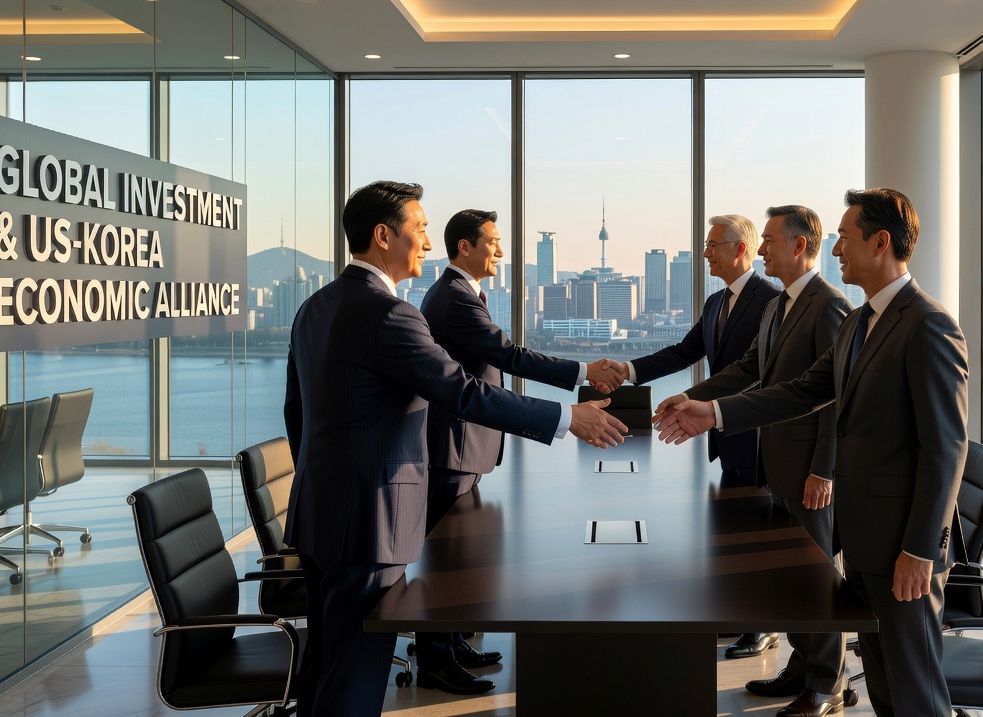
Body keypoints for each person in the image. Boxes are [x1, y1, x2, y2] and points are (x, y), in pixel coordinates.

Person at [284, 181, 627, 717]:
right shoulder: (388, 315)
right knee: (354, 676)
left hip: (318, 514)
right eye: (419, 229)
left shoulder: (315, 306)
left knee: (323, 663)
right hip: (369, 521)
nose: (426, 242)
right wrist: (566, 417)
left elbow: (297, 416)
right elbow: (463, 392)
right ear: (382, 235)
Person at [656, 188, 969, 717]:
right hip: (865, 537)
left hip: (902, 547)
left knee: (916, 691)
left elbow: (946, 447)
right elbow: (802, 390)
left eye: (846, 237)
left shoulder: (927, 324)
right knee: (886, 685)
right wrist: (714, 412)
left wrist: (920, 550)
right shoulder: (858, 322)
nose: (838, 248)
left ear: (881, 242)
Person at [415, 208, 628, 693]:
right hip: (453, 447)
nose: (501, 251)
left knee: (454, 553)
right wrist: (581, 372)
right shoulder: (454, 298)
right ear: (464, 247)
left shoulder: (458, 293)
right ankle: (434, 659)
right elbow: (508, 355)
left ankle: (449, 644)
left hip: (462, 446)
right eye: (492, 241)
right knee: (445, 559)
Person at [660, 206, 851, 715]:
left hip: (809, 469)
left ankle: (828, 683)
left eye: (768, 240)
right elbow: (749, 369)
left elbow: (834, 396)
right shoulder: (779, 306)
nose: (761, 249)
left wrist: (823, 469)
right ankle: (800, 667)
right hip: (778, 462)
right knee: (793, 576)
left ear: (799, 245)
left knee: (816, 577)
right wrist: (690, 398)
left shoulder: (828, 305)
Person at [603, 214, 778, 486]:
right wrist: (627, 370)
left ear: (739, 249)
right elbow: (684, 352)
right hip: (723, 442)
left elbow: (754, 371)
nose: (706, 253)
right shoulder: (715, 302)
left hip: (757, 441)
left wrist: (688, 396)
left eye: (713, 245)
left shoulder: (772, 301)